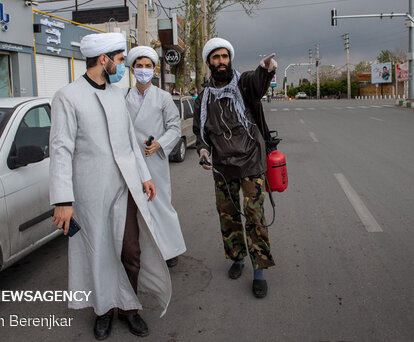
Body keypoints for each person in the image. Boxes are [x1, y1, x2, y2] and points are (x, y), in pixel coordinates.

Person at [49, 33, 171, 340]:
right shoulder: (68, 96)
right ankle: (102, 311)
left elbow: (131, 141)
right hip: (89, 194)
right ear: (103, 59)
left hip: (124, 189)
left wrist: (144, 176)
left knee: (131, 250)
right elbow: (60, 149)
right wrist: (63, 200)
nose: (122, 67)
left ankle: (129, 309)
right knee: (98, 252)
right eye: (119, 60)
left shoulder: (118, 95)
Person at [193, 37, 276, 299]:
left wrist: (266, 69)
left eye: (225, 57)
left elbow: (257, 82)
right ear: (208, 62)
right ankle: (238, 259)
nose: (221, 62)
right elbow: (200, 132)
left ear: (230, 60)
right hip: (222, 167)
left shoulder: (243, 84)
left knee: (254, 216)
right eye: (216, 58)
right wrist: (204, 151)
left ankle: (259, 271)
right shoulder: (204, 97)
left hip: (251, 162)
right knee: (228, 217)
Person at [125, 45, 186, 268]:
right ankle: (140, 252)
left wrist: (158, 144)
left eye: (147, 66)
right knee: (135, 207)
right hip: (131, 161)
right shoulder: (123, 97)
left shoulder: (163, 97)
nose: (143, 70)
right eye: (139, 66)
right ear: (132, 70)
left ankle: (170, 249)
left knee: (160, 204)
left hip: (155, 160)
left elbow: (174, 128)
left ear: (155, 69)